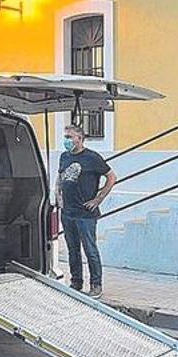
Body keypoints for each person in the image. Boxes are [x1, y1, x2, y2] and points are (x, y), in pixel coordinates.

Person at [56, 124, 117, 299]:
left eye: (70, 137)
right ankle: (76, 282)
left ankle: (96, 285)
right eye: (65, 136)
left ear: (80, 139)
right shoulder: (64, 157)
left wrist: (98, 199)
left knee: (90, 249)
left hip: (85, 214)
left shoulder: (92, 158)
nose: (66, 140)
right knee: (72, 249)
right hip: (68, 212)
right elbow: (60, 177)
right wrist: (58, 196)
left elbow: (112, 177)